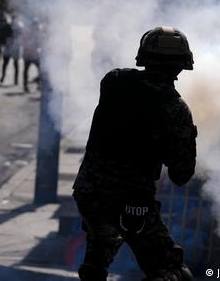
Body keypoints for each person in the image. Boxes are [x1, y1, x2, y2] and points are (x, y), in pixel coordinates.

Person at [72, 27, 197, 281]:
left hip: (89, 192)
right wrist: (183, 138)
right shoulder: (176, 109)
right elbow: (181, 175)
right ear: (181, 65)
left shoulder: (113, 81)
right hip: (131, 204)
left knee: (97, 259)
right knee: (173, 272)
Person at [0, 13, 22, 85]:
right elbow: (4, 36)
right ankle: (6, 78)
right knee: (8, 63)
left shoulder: (18, 26)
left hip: (13, 46)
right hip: (11, 46)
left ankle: (12, 79)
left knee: (10, 63)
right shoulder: (16, 26)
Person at [21, 19, 41, 92]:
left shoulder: (32, 33)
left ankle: (26, 85)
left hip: (30, 54)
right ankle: (26, 85)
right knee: (37, 69)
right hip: (31, 54)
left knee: (27, 70)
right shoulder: (32, 33)